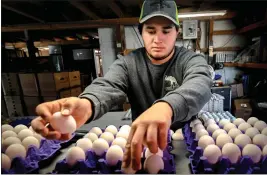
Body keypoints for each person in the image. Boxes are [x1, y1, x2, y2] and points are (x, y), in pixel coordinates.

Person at [31, 0, 212, 173]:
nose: (158, 39)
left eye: (166, 30)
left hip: (185, 148)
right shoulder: (128, 64)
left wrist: (166, 107)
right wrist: (87, 104)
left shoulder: (190, 59)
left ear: (177, 32)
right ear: (141, 32)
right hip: (139, 145)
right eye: (150, 30)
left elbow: (200, 84)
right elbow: (108, 85)